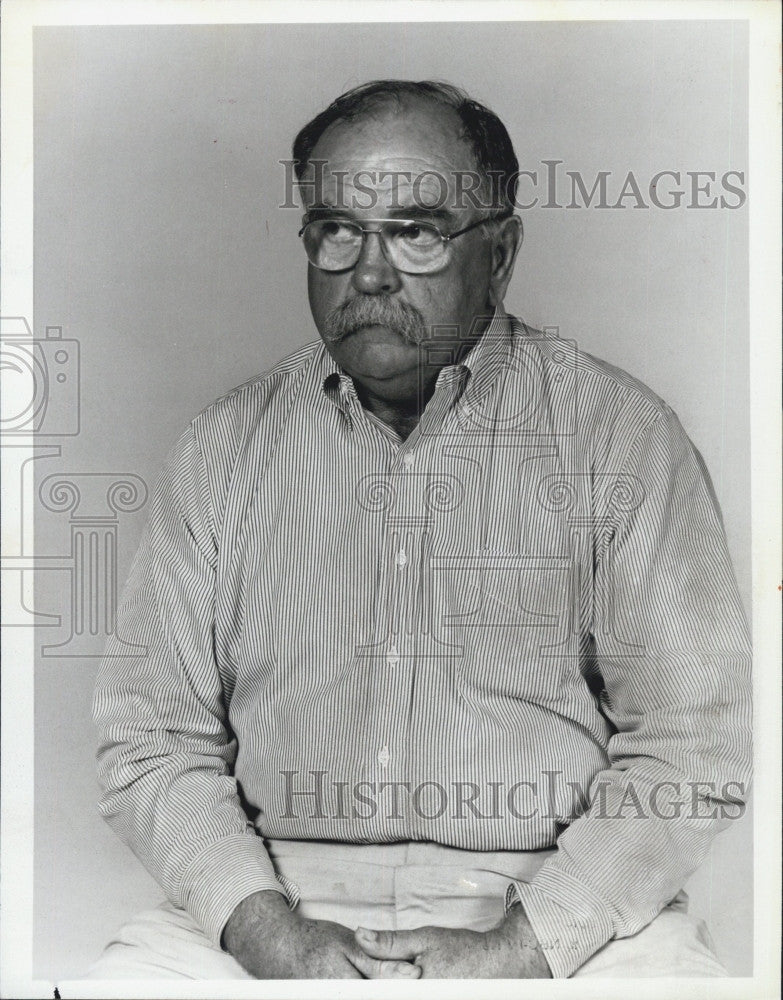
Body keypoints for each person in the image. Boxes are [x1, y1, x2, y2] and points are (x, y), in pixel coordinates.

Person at [90, 80, 751, 980]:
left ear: (502, 252)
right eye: (337, 229)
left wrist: (523, 948)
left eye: (417, 232)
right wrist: (269, 935)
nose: (368, 273)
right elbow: (150, 739)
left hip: (556, 906)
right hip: (278, 896)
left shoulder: (617, 435)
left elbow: (691, 741)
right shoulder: (221, 450)